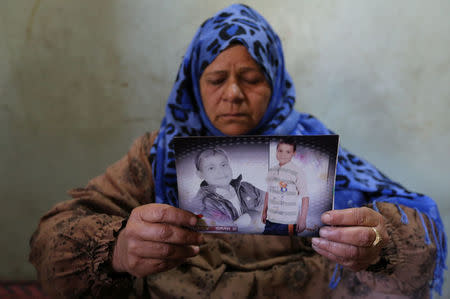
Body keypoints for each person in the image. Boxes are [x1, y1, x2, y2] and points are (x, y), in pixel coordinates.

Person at [29, 4, 446, 298]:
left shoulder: (310, 154)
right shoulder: (157, 156)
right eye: (216, 79)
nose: (233, 94)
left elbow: (415, 227)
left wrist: (378, 242)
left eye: (251, 78)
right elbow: (53, 238)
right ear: (194, 84)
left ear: (276, 83)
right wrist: (119, 248)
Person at [188, 147, 264, 230]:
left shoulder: (246, 187)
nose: (220, 171)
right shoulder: (205, 204)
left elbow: (269, 203)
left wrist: (254, 215)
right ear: (200, 175)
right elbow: (226, 229)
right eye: (211, 168)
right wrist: (253, 216)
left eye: (223, 165)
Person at [262, 139, 310, 236]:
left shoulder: (297, 172)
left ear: (294, 153)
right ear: (276, 151)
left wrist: (303, 219)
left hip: (287, 222)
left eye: (288, 152)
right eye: (280, 151)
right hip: (270, 220)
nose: (283, 154)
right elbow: (268, 192)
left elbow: (305, 196)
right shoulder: (272, 170)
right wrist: (264, 211)